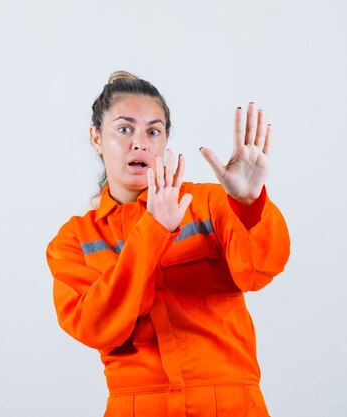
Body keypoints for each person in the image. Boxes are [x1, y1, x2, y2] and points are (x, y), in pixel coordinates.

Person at [46, 71, 290, 417]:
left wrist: (249, 206)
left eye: (153, 131)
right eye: (124, 129)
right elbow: (97, 327)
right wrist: (154, 230)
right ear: (96, 137)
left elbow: (258, 272)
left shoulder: (208, 203)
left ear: (165, 141)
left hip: (231, 404)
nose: (140, 143)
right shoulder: (74, 241)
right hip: (137, 406)